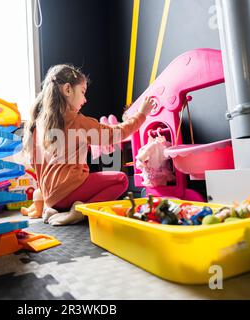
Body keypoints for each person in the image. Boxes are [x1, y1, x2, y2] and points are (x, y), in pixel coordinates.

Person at [22, 64, 155, 225]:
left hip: (51, 198)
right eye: (83, 92)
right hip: (69, 191)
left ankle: (56, 210)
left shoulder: (38, 124)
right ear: (68, 90)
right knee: (121, 180)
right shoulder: (77, 121)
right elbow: (117, 133)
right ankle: (81, 211)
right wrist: (142, 114)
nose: (85, 99)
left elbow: (38, 164)